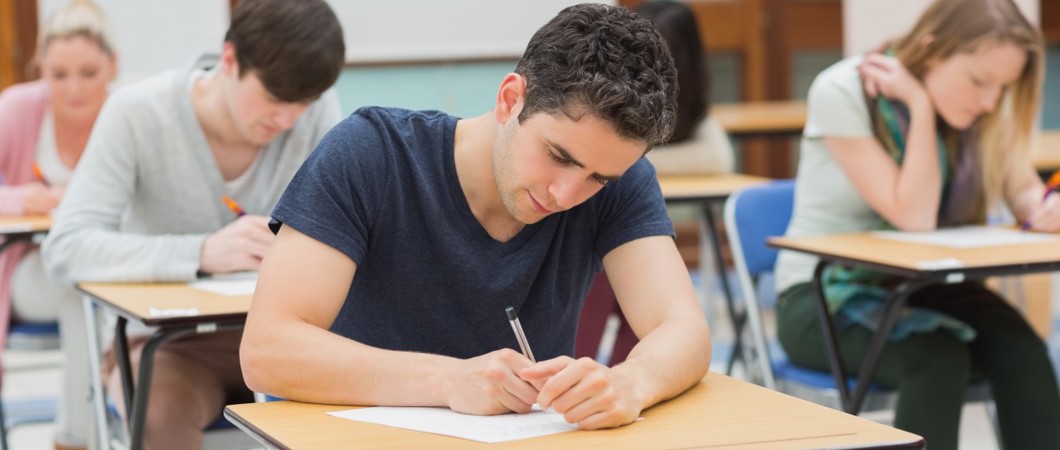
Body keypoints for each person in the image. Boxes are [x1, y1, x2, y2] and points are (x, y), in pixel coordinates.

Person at [240, 3, 711, 430]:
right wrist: (448, 380)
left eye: (598, 179)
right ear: (510, 99)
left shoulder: (620, 181)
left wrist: (633, 381)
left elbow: (684, 330)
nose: (567, 193)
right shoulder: (371, 154)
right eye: (558, 156)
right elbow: (267, 350)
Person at [40, 0, 345, 447]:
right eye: (274, 99)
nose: (287, 119)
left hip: (290, 341)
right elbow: (65, 249)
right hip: (168, 346)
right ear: (229, 60)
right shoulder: (138, 113)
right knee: (158, 415)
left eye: (303, 103)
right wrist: (199, 253)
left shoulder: (316, 110)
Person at [773, 0, 1060, 448]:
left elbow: (1022, 190)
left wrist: (1048, 206)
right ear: (930, 51)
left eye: (1002, 87)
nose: (989, 100)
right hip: (823, 298)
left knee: (1021, 350)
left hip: (925, 286)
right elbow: (914, 216)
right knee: (936, 359)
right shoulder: (844, 91)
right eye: (979, 81)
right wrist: (920, 107)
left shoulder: (985, 107)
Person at [0, 1, 116, 448]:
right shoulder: (18, 109)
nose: (74, 89)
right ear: (40, 68)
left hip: (113, 265)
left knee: (92, 289)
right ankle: (76, 439)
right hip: (32, 272)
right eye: (58, 74)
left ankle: (123, 420)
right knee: (77, 286)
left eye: (89, 73)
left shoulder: (127, 113)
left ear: (112, 66)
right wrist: (19, 198)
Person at [637, 0, 733, 175]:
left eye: (661, 54)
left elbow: (718, 159)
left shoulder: (689, 102)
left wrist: (626, 162)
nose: (648, 65)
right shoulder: (615, 91)